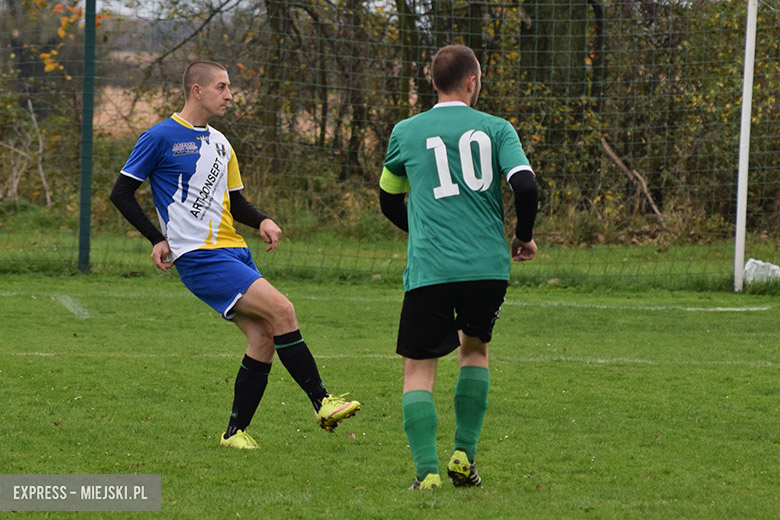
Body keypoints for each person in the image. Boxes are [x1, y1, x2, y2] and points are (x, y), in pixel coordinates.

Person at [110, 60, 360, 450]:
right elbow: (121, 192)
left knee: (263, 337)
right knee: (283, 311)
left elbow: (236, 202)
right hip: (199, 256)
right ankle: (322, 402)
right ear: (197, 90)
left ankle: (234, 433)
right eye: (222, 87)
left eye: (230, 87)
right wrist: (156, 238)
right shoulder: (159, 136)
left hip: (235, 252)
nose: (229, 95)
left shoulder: (221, 143)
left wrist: (262, 221)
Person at [379, 45, 539, 490]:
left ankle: (427, 473)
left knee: (418, 367)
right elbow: (525, 184)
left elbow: (388, 197)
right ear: (473, 81)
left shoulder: (406, 131)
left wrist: (422, 229)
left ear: (433, 83)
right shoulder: (497, 128)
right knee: (475, 351)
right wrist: (523, 236)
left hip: (432, 268)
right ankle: (463, 458)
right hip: (487, 268)